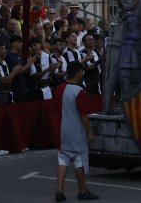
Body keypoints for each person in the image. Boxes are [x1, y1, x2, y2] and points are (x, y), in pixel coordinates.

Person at [55, 61, 99, 202]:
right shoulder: (79, 91)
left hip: (62, 130)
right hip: (76, 132)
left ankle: (60, 191)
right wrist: (90, 133)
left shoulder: (59, 89)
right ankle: (82, 191)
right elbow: (84, 116)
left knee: (63, 160)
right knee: (79, 160)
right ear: (78, 73)